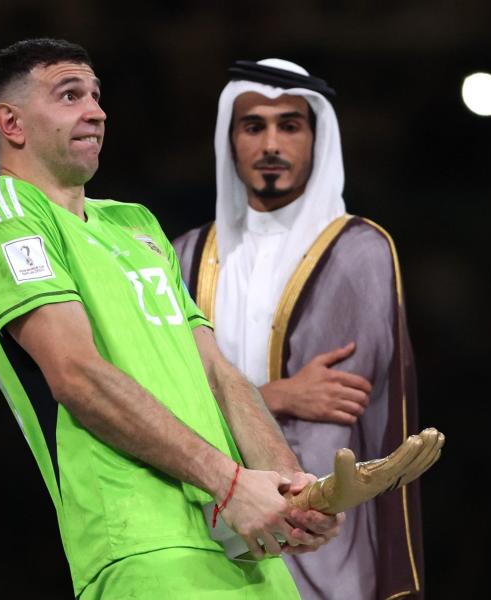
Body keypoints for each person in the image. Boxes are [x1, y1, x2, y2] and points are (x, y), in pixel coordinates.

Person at [0, 39, 343, 599]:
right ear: (11, 123)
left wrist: (289, 488)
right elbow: (76, 375)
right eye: (70, 95)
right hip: (141, 545)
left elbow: (219, 374)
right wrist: (232, 482)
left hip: (244, 543)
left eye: (96, 95)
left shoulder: (135, 223)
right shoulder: (3, 211)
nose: (96, 110)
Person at [173, 59, 425, 600]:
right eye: (253, 126)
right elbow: (165, 405)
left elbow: (332, 414)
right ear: (229, 138)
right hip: (208, 530)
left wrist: (236, 408)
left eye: (289, 125)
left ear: (317, 138)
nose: (270, 144)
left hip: (323, 537)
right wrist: (281, 393)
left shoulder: (359, 251)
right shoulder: (184, 255)